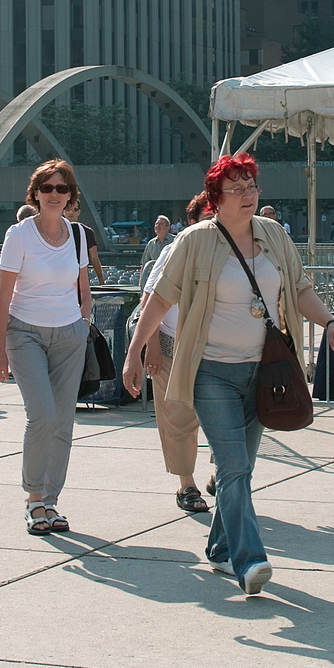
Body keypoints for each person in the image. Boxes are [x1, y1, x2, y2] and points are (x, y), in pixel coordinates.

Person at [123, 155, 334, 594]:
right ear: (215, 199)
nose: (248, 196)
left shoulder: (274, 235)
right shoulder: (194, 241)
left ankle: (221, 551)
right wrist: (135, 351)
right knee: (233, 467)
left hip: (265, 372)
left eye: (252, 187)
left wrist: (332, 323)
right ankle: (250, 560)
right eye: (238, 189)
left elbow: (299, 288)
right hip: (211, 372)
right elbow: (161, 297)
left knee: (240, 468)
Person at [0, 159, 92, 536]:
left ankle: (51, 499)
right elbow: (3, 299)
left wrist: (82, 319)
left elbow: (83, 288)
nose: (54, 194)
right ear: (35, 194)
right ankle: (34, 497)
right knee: (42, 416)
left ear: (70, 195)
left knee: (64, 421)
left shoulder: (78, 235)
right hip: (25, 333)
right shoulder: (19, 235)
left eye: (61, 188)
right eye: (47, 188)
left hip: (69, 335)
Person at [132, 191, 215, 513]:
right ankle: (187, 485)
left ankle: (222, 470)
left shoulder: (231, 251)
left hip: (215, 349)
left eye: (215, 217)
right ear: (191, 223)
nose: (211, 224)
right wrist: (150, 346)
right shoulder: (173, 252)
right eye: (205, 219)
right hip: (170, 346)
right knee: (177, 418)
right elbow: (149, 298)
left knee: (225, 415)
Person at [64, 202, 106, 284]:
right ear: (63, 211)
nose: (71, 212)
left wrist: (101, 279)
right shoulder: (55, 230)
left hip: (80, 275)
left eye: (74, 210)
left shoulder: (87, 231)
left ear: (78, 212)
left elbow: (94, 258)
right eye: (68, 209)